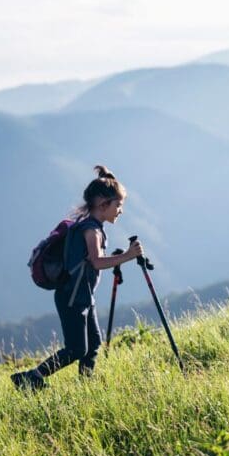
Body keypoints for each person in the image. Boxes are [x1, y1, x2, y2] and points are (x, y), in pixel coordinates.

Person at [11, 165, 143, 391]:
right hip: (72, 298)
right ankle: (31, 377)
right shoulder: (91, 230)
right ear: (103, 204)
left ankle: (86, 387)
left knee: (93, 345)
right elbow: (96, 261)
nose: (120, 210)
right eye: (118, 205)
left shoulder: (93, 226)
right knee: (76, 349)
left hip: (81, 296)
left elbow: (93, 259)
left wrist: (117, 258)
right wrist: (128, 257)